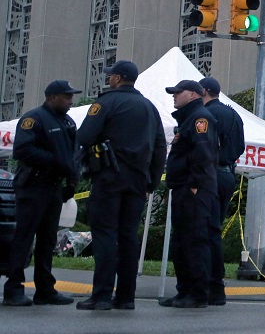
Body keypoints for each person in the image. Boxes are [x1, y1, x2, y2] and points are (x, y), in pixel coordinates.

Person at [76, 60, 167, 311]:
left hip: (108, 178)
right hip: (138, 182)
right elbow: (160, 148)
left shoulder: (105, 102)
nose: (109, 79)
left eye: (110, 76)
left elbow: (84, 136)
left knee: (105, 235)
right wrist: (151, 181)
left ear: (117, 78)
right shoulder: (150, 107)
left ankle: (102, 295)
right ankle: (126, 297)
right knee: (128, 237)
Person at [2, 80, 82, 307]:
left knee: (47, 241)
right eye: (66, 97)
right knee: (24, 238)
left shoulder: (67, 122)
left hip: (54, 188)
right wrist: (55, 161)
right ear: (52, 97)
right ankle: (13, 288)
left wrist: (71, 181)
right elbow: (22, 150)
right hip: (33, 187)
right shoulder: (33, 119)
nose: (70, 101)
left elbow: (73, 156)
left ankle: (45, 289)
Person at [159, 80, 219, 309]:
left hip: (194, 189)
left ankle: (198, 293)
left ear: (193, 95)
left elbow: (202, 153)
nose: (174, 96)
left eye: (178, 92)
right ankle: (184, 291)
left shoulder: (199, 119)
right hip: (184, 188)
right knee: (181, 242)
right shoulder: (188, 119)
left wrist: (194, 184)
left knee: (194, 241)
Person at [199, 76, 245, 306]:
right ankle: (215, 285)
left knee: (203, 231)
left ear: (204, 91)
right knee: (214, 229)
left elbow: (203, 146)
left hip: (210, 174)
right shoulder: (235, 115)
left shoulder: (205, 115)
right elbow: (241, 147)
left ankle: (209, 284)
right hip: (228, 173)